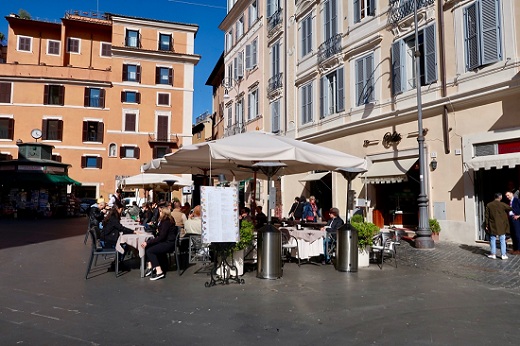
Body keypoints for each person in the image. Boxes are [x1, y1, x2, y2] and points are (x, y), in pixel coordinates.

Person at [141, 206, 178, 281]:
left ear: (164, 213)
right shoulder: (166, 220)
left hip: (168, 243)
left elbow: (161, 237)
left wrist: (148, 242)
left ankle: (159, 271)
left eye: (160, 211)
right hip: (167, 242)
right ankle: (150, 266)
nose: (159, 213)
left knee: (149, 251)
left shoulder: (166, 222)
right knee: (148, 247)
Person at [485, 192, 512, 259]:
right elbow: (510, 208)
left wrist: (486, 224)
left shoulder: (489, 205)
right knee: (502, 239)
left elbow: (486, 216)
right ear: (500, 197)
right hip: (501, 225)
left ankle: (493, 254)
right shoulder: (502, 204)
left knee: (492, 239)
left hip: (492, 224)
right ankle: (503, 255)